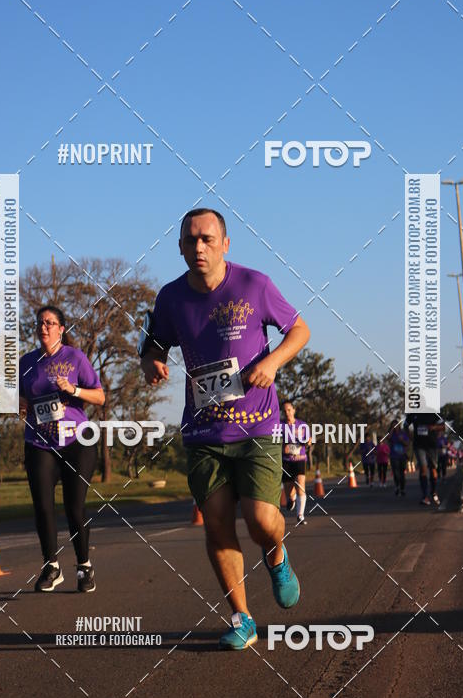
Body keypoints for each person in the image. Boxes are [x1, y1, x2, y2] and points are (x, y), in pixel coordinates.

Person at [140, 208, 310, 650]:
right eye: (191, 240)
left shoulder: (254, 285)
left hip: (257, 427)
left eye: (208, 239)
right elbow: (154, 342)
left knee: (260, 522)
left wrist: (271, 363)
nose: (199, 247)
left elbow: (299, 330)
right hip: (203, 431)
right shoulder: (170, 298)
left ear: (225, 244)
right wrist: (152, 361)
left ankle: (276, 555)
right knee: (216, 526)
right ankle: (242, 617)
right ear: (180, 246)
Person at [19, 305, 105, 593]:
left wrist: (74, 390)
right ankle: (51, 567)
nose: (44, 327)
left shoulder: (75, 358)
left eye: (50, 322)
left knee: (74, 507)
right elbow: (19, 398)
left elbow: (100, 397)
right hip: (39, 442)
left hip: (76, 442)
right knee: (43, 507)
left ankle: (84, 567)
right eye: (40, 323)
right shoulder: (26, 362)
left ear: (61, 329)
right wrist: (19, 406)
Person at [405, 412, 445, 506]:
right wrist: (411, 437)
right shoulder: (413, 414)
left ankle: (434, 492)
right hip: (419, 445)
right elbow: (405, 425)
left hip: (432, 445)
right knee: (423, 468)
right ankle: (425, 496)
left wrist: (433, 428)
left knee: (433, 469)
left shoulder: (433, 413)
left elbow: (443, 426)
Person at [280, 401, 311, 524]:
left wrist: (308, 442)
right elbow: (275, 442)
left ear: (294, 410)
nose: (287, 413)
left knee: (300, 484)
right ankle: (290, 499)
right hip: (286, 461)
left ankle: (300, 515)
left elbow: (308, 441)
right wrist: (283, 448)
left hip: (300, 459)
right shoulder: (280, 426)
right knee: (288, 489)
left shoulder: (302, 425)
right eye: (285, 411)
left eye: (289, 410)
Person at [389, 420, 409, 496]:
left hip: (402, 456)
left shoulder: (403, 434)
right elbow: (388, 438)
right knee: (396, 473)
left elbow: (407, 444)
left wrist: (402, 440)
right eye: (393, 426)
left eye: (396, 425)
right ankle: (397, 486)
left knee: (402, 473)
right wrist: (391, 430)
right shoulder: (391, 434)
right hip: (394, 456)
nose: (395, 427)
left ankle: (402, 488)